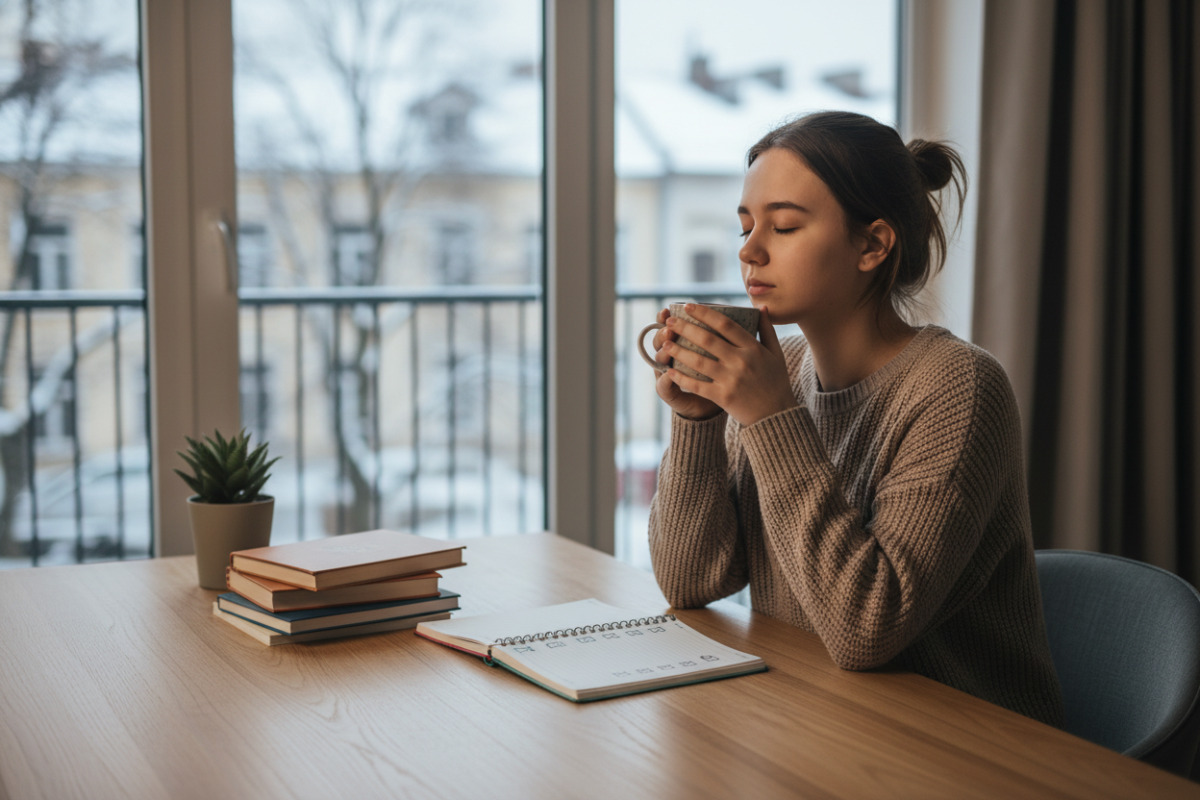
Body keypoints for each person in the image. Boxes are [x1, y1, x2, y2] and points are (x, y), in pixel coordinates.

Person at [645, 110, 1064, 726]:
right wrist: (699, 421)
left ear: (872, 243)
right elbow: (691, 580)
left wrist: (770, 416)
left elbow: (866, 629)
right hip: (821, 716)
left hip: (963, 745)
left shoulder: (958, 388)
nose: (750, 250)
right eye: (745, 226)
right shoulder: (780, 373)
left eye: (784, 226)